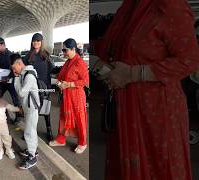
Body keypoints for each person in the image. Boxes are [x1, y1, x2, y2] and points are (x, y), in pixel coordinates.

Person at [94, 0, 199, 179]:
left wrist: (133, 74)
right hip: (125, 106)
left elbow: (189, 60)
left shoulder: (170, 6)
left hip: (157, 112)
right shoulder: (128, 8)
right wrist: (102, 65)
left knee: (159, 168)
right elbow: (111, 47)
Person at [48, 38, 89, 154]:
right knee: (63, 117)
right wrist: (57, 80)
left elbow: (85, 80)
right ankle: (61, 139)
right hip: (66, 95)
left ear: (73, 49)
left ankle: (82, 142)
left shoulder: (80, 62)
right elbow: (61, 76)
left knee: (79, 119)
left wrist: (70, 84)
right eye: (63, 50)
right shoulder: (67, 62)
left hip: (77, 96)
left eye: (65, 50)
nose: (63, 52)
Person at [11, 53, 40, 170]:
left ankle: (32, 156)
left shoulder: (29, 76)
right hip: (28, 107)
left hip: (32, 108)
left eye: (14, 67)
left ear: (19, 63)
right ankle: (32, 150)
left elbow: (21, 93)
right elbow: (23, 95)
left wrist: (16, 78)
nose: (14, 70)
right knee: (31, 130)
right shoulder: (24, 73)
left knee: (29, 131)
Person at [24, 33, 54, 141]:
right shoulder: (28, 56)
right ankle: (30, 131)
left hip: (44, 87)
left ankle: (49, 130)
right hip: (32, 88)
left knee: (45, 109)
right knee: (31, 110)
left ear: (41, 42)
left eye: (38, 41)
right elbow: (23, 70)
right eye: (34, 41)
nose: (36, 43)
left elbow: (52, 70)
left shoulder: (46, 55)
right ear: (32, 42)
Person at [0, 86, 21, 161]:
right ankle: (0, 150)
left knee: (6, 137)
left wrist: (18, 109)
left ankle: (8, 149)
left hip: (3, 125)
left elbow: (11, 107)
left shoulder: (2, 102)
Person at [0, 37, 21, 123]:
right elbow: (3, 69)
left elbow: (14, 70)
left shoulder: (10, 55)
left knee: (15, 100)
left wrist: (7, 78)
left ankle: (18, 116)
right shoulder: (0, 55)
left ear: (4, 45)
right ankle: (6, 116)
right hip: (3, 82)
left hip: (11, 82)